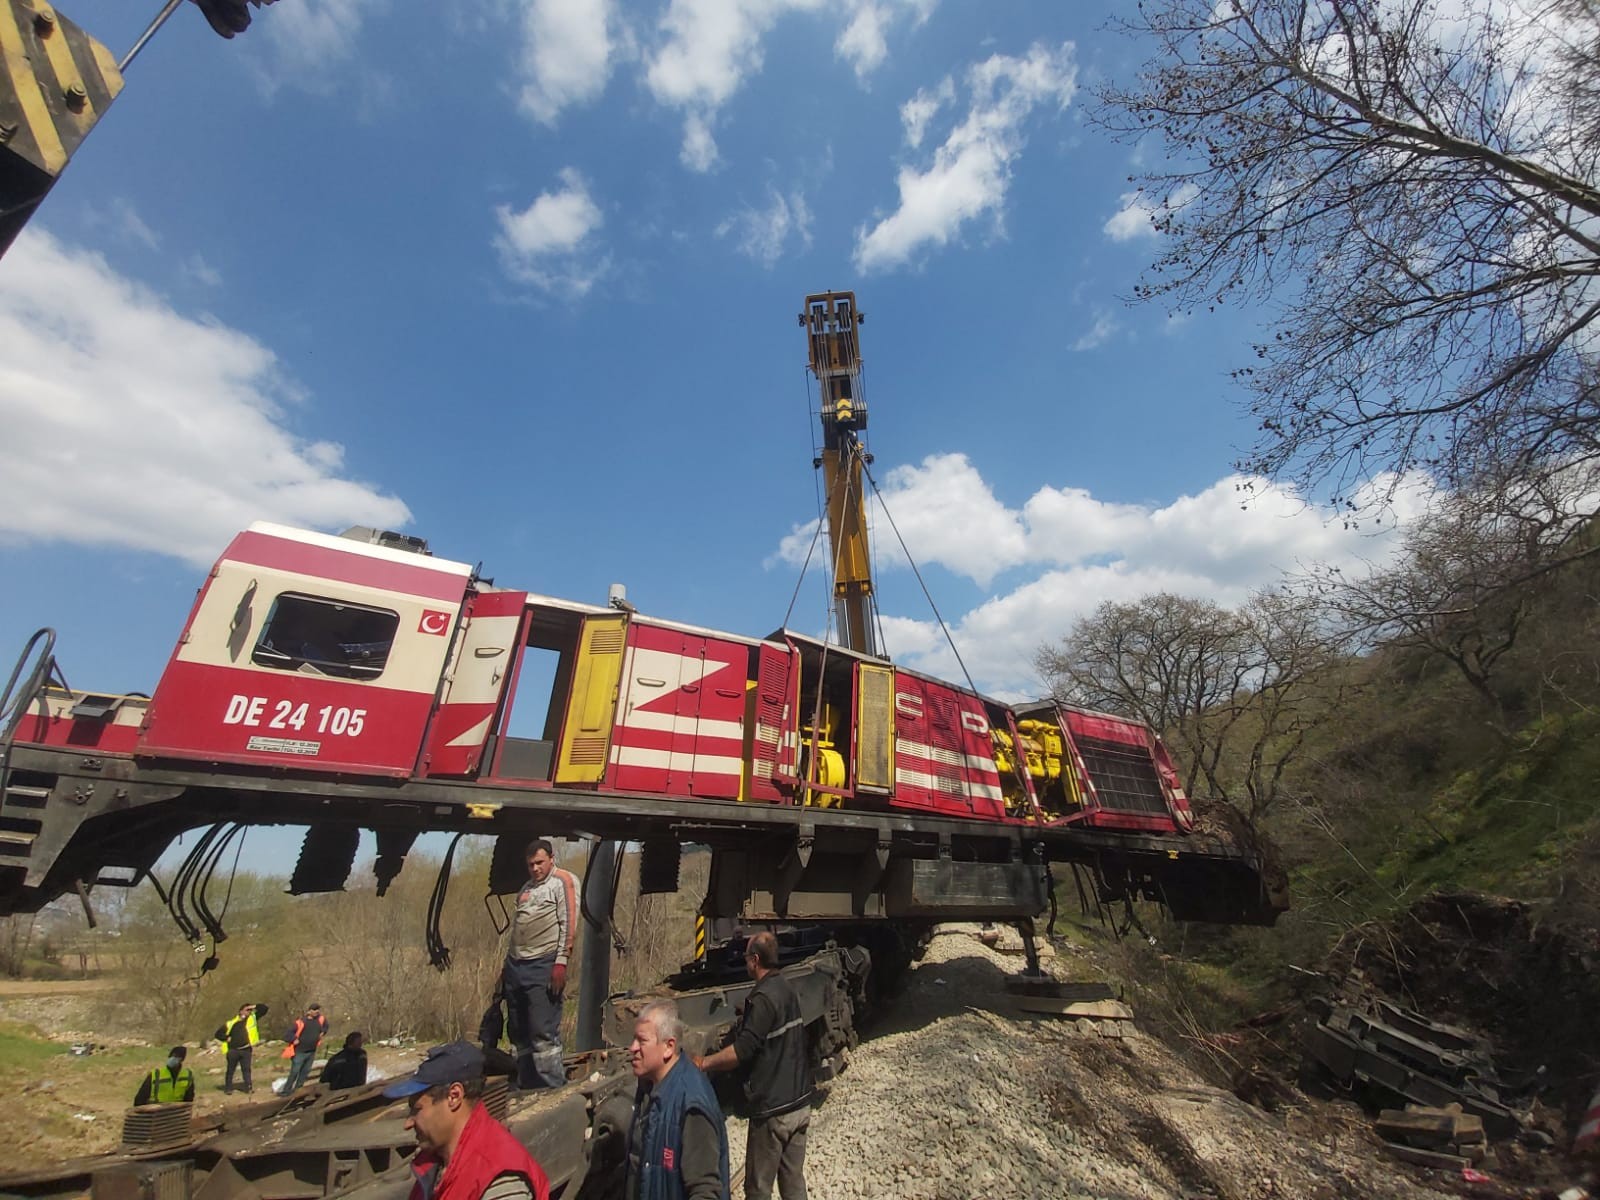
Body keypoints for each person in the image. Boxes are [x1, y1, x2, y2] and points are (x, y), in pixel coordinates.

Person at [694, 932, 812, 1200]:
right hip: (800, 1103)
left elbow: (741, 1051)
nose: (745, 961)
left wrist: (704, 1063)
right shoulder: (785, 987)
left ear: (755, 960)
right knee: (793, 1182)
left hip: (773, 1110)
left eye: (746, 956)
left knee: (758, 1188)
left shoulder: (762, 999)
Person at [384, 1040, 551, 1200]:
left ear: (454, 1096)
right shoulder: (435, 1163)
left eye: (417, 1109)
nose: (408, 1123)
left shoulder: (499, 1179)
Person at [627, 999, 729, 1200]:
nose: (632, 1048)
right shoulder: (650, 1087)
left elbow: (705, 1191)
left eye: (642, 1040)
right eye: (633, 1039)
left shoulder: (691, 1103)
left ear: (668, 1047)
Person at [502, 839, 576, 1089]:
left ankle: (553, 1086)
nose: (535, 868)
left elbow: (569, 922)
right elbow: (517, 928)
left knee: (542, 1031)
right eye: (530, 864)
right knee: (519, 1031)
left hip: (543, 964)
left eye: (539, 863)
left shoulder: (562, 881)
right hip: (517, 966)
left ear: (552, 858)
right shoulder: (526, 888)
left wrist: (561, 963)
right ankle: (528, 1083)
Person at [215, 1001, 269, 1094]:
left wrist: (253, 1006)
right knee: (231, 1070)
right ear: (240, 1011)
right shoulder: (231, 1023)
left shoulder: (252, 1019)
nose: (248, 1012)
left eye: (250, 1011)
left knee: (246, 1070)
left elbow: (264, 1008)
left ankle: (248, 1088)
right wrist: (226, 1038)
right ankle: (228, 1088)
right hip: (233, 1050)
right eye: (246, 1010)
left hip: (246, 1049)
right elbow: (218, 1034)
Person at [281, 1003, 330, 1091]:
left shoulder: (321, 1020)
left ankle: (297, 1090)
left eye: (318, 1009)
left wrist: (323, 1032)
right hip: (299, 1052)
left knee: (305, 1072)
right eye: (314, 1010)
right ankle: (286, 1091)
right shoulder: (300, 1022)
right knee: (295, 1072)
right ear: (309, 1011)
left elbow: (326, 1026)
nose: (317, 1011)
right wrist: (294, 1039)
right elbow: (287, 1035)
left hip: (311, 1051)